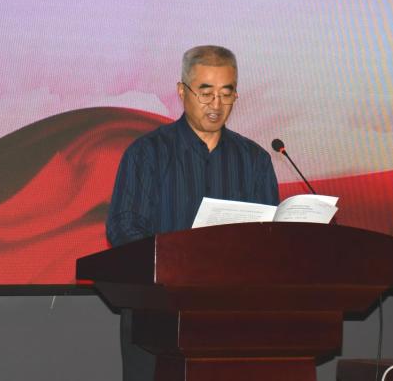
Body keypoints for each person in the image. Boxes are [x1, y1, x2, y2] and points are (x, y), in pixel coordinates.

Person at [105, 45, 280, 380]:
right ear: (182, 91)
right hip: (156, 317)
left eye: (226, 94)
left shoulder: (254, 160)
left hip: (232, 317)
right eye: (206, 92)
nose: (216, 105)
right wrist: (176, 263)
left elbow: (268, 238)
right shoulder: (147, 153)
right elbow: (123, 227)